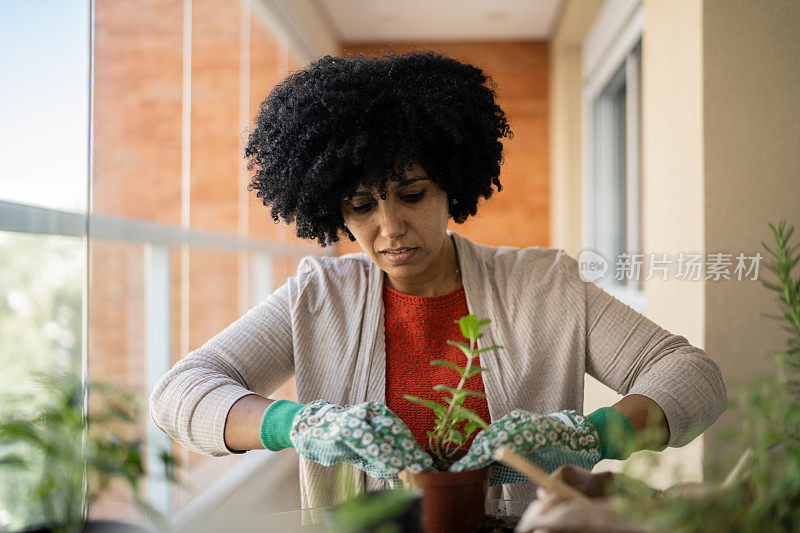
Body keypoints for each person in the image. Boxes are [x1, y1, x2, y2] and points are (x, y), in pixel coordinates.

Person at [149, 50, 727, 510]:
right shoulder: (318, 296)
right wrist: (295, 423)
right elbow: (179, 393)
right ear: (334, 211)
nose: (389, 227)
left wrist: (595, 435)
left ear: (452, 183)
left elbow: (694, 377)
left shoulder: (544, 285)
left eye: (412, 195)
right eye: (360, 206)